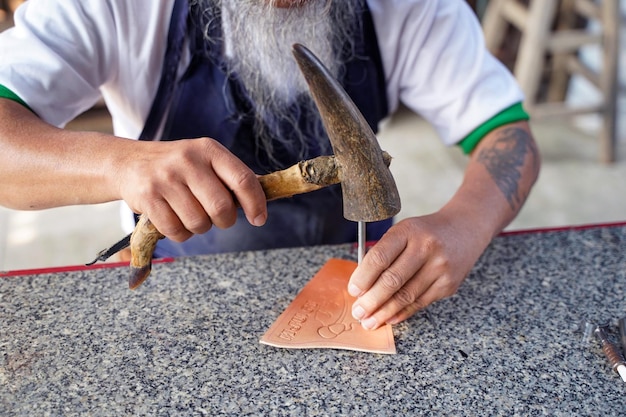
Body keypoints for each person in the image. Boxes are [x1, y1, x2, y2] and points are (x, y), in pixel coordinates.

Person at [0, 0, 540, 329]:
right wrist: (119, 165)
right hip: (187, 296)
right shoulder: (117, 7)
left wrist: (465, 223)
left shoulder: (411, 8)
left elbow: (507, 130)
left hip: (364, 282)